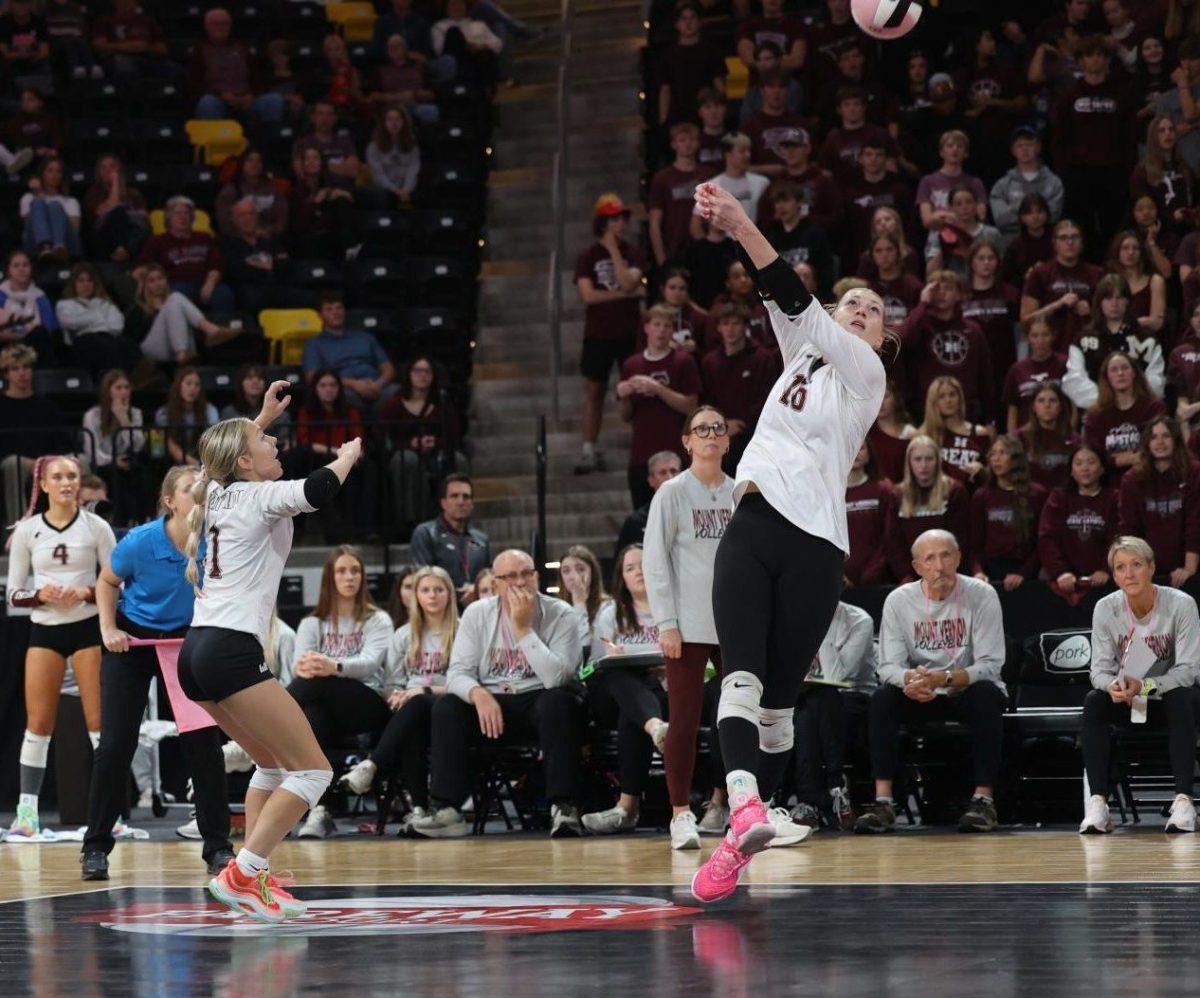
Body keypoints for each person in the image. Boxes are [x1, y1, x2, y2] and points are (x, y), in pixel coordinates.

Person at [689, 182, 889, 902]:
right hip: (755, 522)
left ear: (879, 334)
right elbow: (783, 294)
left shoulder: (866, 372)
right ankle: (744, 806)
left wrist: (743, 219)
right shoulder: (800, 347)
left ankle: (742, 840)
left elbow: (796, 296)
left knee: (778, 707)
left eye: (875, 309)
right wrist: (742, 232)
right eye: (853, 301)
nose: (862, 309)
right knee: (738, 677)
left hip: (817, 548)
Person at [180, 385, 362, 922]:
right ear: (243, 460)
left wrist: (258, 417)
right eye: (264, 439)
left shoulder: (214, 492)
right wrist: (348, 455)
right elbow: (321, 488)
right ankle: (243, 872)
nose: (274, 442)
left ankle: (249, 874)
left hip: (197, 653)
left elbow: (213, 465)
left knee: (270, 764)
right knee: (312, 772)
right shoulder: (260, 495)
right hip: (230, 650)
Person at [80, 466, 234, 879]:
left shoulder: (218, 537)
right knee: (114, 745)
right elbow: (107, 582)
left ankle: (218, 848)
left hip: (187, 642)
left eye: (203, 488)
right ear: (170, 502)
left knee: (204, 744)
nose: (198, 494)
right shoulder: (141, 541)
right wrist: (109, 629)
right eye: (189, 489)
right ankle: (95, 847)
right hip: (135, 643)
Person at [409, 548, 587, 839]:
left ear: (536, 577)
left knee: (559, 702)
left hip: (538, 697)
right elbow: (457, 673)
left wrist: (523, 629)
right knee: (447, 707)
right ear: (496, 584)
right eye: (510, 577)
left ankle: (563, 806)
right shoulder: (477, 614)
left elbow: (556, 678)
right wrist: (478, 694)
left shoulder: (560, 613)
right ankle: (446, 809)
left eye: (526, 575)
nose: (519, 583)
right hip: (491, 702)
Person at [857, 529, 1007, 835]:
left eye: (946, 556)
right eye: (930, 558)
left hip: (964, 690)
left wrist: (947, 677)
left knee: (988, 695)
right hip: (921, 692)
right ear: (917, 567)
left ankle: (983, 801)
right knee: (883, 698)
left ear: (959, 559)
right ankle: (883, 802)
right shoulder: (899, 601)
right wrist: (909, 680)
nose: (939, 566)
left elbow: (991, 665)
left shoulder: (981, 594)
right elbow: (887, 666)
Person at [643, 403, 739, 853]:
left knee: (741, 717)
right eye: (701, 428)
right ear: (687, 441)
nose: (711, 435)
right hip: (687, 623)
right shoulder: (672, 493)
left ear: (726, 440)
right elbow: (654, 561)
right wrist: (667, 622)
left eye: (718, 428)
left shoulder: (742, 493)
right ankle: (680, 813)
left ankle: (741, 808)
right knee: (683, 720)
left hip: (735, 623)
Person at [6, 454, 116, 837]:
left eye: (72, 476)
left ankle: (111, 813)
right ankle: (27, 815)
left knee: (99, 724)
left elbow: (115, 583)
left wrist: (84, 591)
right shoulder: (27, 531)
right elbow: (13, 594)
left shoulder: (97, 527)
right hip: (45, 630)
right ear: (44, 485)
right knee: (38, 724)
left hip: (87, 628)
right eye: (59, 476)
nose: (68, 482)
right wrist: (42, 594)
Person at [1080, 536, 1200, 835]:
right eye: (1120, 568)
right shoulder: (1106, 608)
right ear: (1114, 574)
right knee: (1094, 700)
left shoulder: (1181, 604)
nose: (1129, 574)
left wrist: (1146, 685)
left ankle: (1184, 801)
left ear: (1151, 568)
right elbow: (1098, 671)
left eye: (1136, 565)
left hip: (1171, 700)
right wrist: (1114, 687)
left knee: (1181, 697)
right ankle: (1098, 804)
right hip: (1128, 700)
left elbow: (1188, 670)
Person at [338, 565, 458, 828]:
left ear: (449, 594)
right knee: (410, 725)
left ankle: (371, 765)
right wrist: (395, 696)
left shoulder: (461, 631)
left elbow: (465, 682)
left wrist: (422, 691)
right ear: (416, 596)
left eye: (439, 590)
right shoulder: (403, 635)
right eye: (425, 590)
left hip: (450, 707)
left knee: (415, 705)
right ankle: (419, 809)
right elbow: (391, 683)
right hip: (411, 710)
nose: (432, 596)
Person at [288, 545, 394, 840]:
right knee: (312, 715)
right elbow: (300, 667)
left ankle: (260, 733)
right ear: (329, 578)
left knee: (319, 682)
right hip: (326, 709)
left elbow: (370, 662)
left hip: (366, 704)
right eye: (342, 571)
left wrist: (331, 665)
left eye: (355, 570)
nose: (350, 577)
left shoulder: (377, 619)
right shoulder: (312, 622)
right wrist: (320, 667)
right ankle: (320, 811)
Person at [580, 544, 670, 835]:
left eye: (643, 564)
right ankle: (656, 726)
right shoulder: (610, 613)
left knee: (634, 717)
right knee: (618, 675)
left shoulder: (674, 606)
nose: (638, 572)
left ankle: (626, 809)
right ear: (622, 577)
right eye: (630, 568)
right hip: (614, 693)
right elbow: (593, 666)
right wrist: (614, 659)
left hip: (663, 690)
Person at [788, 601, 876, 831]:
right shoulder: (787, 617)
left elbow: (838, 676)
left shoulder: (859, 621)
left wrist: (818, 623)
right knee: (810, 707)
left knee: (819, 702)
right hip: (802, 697)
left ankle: (808, 801)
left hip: (852, 696)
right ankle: (836, 787)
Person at [573, 192, 645, 475]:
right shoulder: (587, 257)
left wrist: (614, 251)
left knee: (634, 390)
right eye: (614, 218)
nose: (621, 223)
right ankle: (588, 448)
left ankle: (641, 445)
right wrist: (624, 293)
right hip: (598, 333)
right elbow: (588, 296)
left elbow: (629, 282)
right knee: (594, 391)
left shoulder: (633, 253)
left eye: (622, 218)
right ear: (603, 222)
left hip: (629, 331)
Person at [616, 305, 701, 509]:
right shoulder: (631, 365)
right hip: (641, 455)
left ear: (672, 331)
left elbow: (691, 406)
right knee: (643, 514)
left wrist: (657, 388)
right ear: (647, 328)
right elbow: (625, 415)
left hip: (675, 452)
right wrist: (624, 396)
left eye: (667, 326)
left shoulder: (683, 362)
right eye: (657, 325)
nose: (661, 330)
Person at [379, 356, 465, 533]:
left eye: (427, 371)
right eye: (417, 371)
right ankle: (411, 523)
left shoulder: (442, 402)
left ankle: (456, 517)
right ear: (409, 374)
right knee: (408, 461)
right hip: (404, 453)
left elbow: (455, 435)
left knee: (458, 459)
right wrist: (411, 444)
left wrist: (436, 442)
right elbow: (383, 436)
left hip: (436, 453)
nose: (422, 375)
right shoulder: (394, 404)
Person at [1118, 417, 1200, 588]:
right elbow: (1129, 529)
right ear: (1146, 442)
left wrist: (1189, 568)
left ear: (1176, 440)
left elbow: (1195, 523)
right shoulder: (1132, 480)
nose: (1160, 442)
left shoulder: (1194, 473)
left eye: (1166, 436)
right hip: (1147, 569)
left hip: (1189, 567)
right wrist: (1136, 569)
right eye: (1154, 437)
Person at [900, 271, 994, 421]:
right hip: (925, 411)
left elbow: (985, 376)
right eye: (936, 289)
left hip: (966, 411)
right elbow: (902, 338)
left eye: (948, 289)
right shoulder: (920, 326)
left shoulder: (973, 330)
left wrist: (990, 419)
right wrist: (922, 304)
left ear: (958, 294)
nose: (942, 294)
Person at [699, 302, 782, 472]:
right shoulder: (710, 362)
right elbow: (706, 399)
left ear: (745, 326)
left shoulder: (762, 358)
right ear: (718, 328)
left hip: (756, 437)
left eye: (736, 323)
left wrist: (742, 424)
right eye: (725, 324)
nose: (730, 329)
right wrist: (721, 424)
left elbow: (767, 397)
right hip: (719, 437)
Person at [1038, 443, 1119, 608]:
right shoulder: (1059, 497)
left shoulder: (1114, 498)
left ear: (1102, 468)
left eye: (1091, 462)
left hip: (1103, 578)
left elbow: (1117, 537)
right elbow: (1047, 537)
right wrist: (1060, 572)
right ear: (1071, 471)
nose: (1085, 468)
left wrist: (1106, 569)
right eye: (1079, 463)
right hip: (1064, 578)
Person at [295, 369, 370, 544]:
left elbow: (359, 441)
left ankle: (364, 530)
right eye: (323, 385)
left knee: (369, 468)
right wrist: (338, 451)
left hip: (347, 460)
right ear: (315, 388)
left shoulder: (350, 411)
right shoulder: (307, 411)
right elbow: (304, 442)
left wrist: (352, 455)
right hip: (319, 459)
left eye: (333, 385)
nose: (328, 389)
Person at [885, 435, 971, 582]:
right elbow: (894, 542)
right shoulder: (897, 494)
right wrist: (907, 576)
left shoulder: (954, 490)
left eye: (929, 459)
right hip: (911, 577)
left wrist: (944, 571)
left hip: (947, 574)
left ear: (938, 461)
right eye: (917, 459)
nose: (923, 465)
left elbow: (961, 538)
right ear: (909, 463)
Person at [0, 344, 67, 525]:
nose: (22, 373)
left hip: (47, 462)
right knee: (14, 464)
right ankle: (17, 529)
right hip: (14, 464)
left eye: (26, 367)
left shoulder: (47, 405)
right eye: (15, 369)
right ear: (6, 374)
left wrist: (51, 460)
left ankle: (79, 525)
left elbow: (62, 440)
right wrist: (32, 463)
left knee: (80, 461)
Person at [969, 435, 1048, 588]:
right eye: (993, 454)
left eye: (1003, 453)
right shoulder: (981, 496)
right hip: (989, 574)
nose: (996, 459)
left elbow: (1041, 543)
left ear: (1016, 457)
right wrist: (978, 571)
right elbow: (975, 545)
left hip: (1026, 574)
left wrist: (1024, 573)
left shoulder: (1037, 494)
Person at [135, 196, 235, 313]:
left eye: (186, 213)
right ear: (168, 218)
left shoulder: (204, 238)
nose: (182, 217)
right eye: (177, 213)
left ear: (192, 218)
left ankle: (221, 329)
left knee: (224, 295)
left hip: (206, 282)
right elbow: (142, 267)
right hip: (176, 285)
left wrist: (210, 283)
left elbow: (216, 264)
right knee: (178, 297)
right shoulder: (157, 241)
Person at [302, 292, 397, 415]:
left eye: (339, 308)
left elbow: (388, 368)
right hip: (344, 389)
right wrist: (354, 384)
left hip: (375, 386)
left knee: (399, 392)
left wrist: (378, 385)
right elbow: (312, 377)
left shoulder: (365, 338)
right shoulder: (314, 344)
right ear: (320, 315)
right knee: (338, 395)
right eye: (329, 309)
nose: (335, 312)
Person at [125, 264, 237, 366]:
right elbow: (132, 340)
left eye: (160, 278)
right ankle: (210, 331)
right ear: (144, 285)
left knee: (175, 300)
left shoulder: (177, 304)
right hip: (151, 351)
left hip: (180, 349)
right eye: (152, 281)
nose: (157, 283)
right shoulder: (138, 309)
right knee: (175, 298)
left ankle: (184, 354)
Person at [1082, 351, 1167, 482]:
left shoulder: (1153, 408)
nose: (1120, 373)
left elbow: (1159, 449)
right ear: (1107, 377)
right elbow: (1093, 459)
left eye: (1125, 368)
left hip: (1148, 479)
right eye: (1114, 370)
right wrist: (1133, 457)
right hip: (1109, 485)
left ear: (1134, 373)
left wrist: (1113, 459)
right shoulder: (1095, 416)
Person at [187, 7, 283, 123]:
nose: (221, 27)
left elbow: (256, 77)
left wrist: (251, 95)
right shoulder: (199, 50)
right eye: (216, 24)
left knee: (274, 100)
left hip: (246, 100)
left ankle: (271, 139)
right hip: (219, 100)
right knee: (208, 102)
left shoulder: (241, 47)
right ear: (207, 26)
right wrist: (221, 95)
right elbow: (194, 85)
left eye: (225, 23)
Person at [1020, 218, 1103, 352]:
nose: (1070, 242)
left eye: (1074, 237)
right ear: (1055, 243)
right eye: (1063, 238)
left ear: (1082, 242)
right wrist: (1057, 305)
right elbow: (1026, 320)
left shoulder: (1096, 273)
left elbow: (1111, 315)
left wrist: (1092, 311)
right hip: (1050, 350)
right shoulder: (1040, 273)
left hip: (1088, 347)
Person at [409, 473, 491, 603]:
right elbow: (422, 577)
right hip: (441, 609)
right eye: (454, 496)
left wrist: (475, 590)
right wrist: (458, 594)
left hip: (477, 610)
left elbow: (488, 577)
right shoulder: (425, 533)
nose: (461, 501)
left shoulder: (481, 540)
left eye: (466, 497)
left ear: (472, 504)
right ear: (443, 503)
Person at [648, 122, 714, 267]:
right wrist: (662, 261)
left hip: (704, 248)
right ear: (674, 144)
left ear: (698, 143)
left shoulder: (708, 174)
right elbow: (654, 223)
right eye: (682, 140)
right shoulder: (662, 178)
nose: (687, 144)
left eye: (691, 139)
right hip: (675, 248)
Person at [655, 1, 726, 128]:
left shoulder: (711, 51)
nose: (688, 23)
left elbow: (719, 84)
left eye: (692, 18)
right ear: (676, 24)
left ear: (700, 22)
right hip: (679, 114)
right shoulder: (668, 55)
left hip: (706, 113)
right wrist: (663, 118)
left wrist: (719, 112)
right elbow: (665, 89)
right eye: (683, 19)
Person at [989, 126, 1065, 243]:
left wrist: (1014, 209)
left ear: (1038, 147)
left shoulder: (1054, 183)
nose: (1025, 149)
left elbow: (1052, 217)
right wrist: (1036, 214)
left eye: (1029, 144)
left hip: (1045, 243)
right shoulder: (1002, 185)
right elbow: (1001, 220)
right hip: (1011, 244)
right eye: (1020, 146)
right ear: (1013, 150)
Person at [917, 376, 993, 488]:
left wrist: (982, 470)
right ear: (933, 402)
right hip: (938, 496)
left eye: (952, 394)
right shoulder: (924, 435)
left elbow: (993, 471)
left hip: (974, 495)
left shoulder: (979, 433)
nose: (948, 400)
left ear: (960, 398)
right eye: (941, 396)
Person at [82, 154, 150, 264]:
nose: (108, 170)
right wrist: (115, 183)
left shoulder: (133, 193)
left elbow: (144, 216)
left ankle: (126, 251)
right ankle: (120, 249)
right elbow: (109, 210)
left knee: (140, 226)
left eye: (112, 166)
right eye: (103, 168)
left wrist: (123, 213)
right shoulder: (94, 192)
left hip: (131, 232)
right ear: (98, 173)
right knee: (117, 212)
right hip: (105, 233)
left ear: (119, 170)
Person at [1003, 316, 1067, 432]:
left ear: (1053, 336)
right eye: (1035, 336)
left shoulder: (1065, 364)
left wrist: (1068, 434)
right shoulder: (1017, 369)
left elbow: (1072, 405)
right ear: (1028, 338)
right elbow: (1012, 409)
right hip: (1026, 438)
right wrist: (1012, 439)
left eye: (1045, 335)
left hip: (1059, 435)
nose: (1040, 341)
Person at [845, 441, 894, 586]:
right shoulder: (830, 493)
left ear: (869, 455)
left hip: (876, 579)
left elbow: (889, 537)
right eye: (849, 447)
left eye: (861, 448)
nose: (855, 452)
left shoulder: (882, 490)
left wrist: (872, 573)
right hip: (840, 581)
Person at [214, 148, 288, 240]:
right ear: (242, 164)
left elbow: (281, 219)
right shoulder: (230, 191)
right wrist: (248, 234)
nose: (255, 164)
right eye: (250, 160)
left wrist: (268, 231)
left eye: (258, 161)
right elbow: (225, 223)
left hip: (270, 238)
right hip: (240, 241)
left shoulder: (274, 189)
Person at [615, 450, 681, 554]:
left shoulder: (695, 515)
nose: (669, 478)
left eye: (673, 471)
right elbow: (621, 562)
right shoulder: (636, 522)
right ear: (651, 480)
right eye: (662, 473)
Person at [1019, 382, 1079, 491]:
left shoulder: (1075, 440)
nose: (1047, 405)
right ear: (1033, 407)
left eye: (1053, 400)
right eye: (1041, 401)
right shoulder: (1019, 438)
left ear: (1060, 406)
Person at [0, 248, 58, 361]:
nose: (21, 269)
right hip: (5, 344)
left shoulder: (41, 297)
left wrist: (24, 330)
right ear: (8, 271)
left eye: (25, 265)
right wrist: (26, 329)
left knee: (40, 335)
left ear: (31, 269)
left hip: (35, 343)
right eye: (16, 265)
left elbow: (47, 328)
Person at [20, 156, 80, 261]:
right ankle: (44, 246)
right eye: (50, 170)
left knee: (55, 206)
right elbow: (30, 226)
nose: (54, 175)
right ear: (42, 173)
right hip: (35, 245)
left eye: (58, 171)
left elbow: (74, 229)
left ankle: (58, 246)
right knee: (38, 202)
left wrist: (57, 213)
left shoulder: (70, 201)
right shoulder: (28, 198)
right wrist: (38, 193)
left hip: (66, 244)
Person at [155, 367, 218, 467]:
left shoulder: (210, 410)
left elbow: (213, 439)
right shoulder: (163, 413)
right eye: (188, 383)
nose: (192, 388)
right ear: (179, 386)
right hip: (173, 465)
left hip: (204, 462)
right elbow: (169, 444)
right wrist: (194, 464)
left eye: (197, 385)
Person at [556, 544, 608, 661]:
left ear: (592, 573)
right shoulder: (557, 611)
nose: (573, 576)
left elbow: (586, 648)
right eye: (566, 571)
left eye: (580, 569)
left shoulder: (608, 607)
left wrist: (579, 604)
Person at [365, 105, 422, 207]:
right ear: (383, 123)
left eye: (397, 119)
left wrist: (406, 190)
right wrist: (395, 191)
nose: (394, 123)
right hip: (384, 189)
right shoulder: (373, 147)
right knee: (384, 198)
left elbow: (413, 170)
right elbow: (378, 175)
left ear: (403, 122)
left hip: (407, 188)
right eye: (389, 119)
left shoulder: (412, 145)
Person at [866, 380, 917, 484]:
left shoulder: (910, 433)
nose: (880, 402)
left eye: (885, 397)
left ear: (896, 399)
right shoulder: (866, 436)